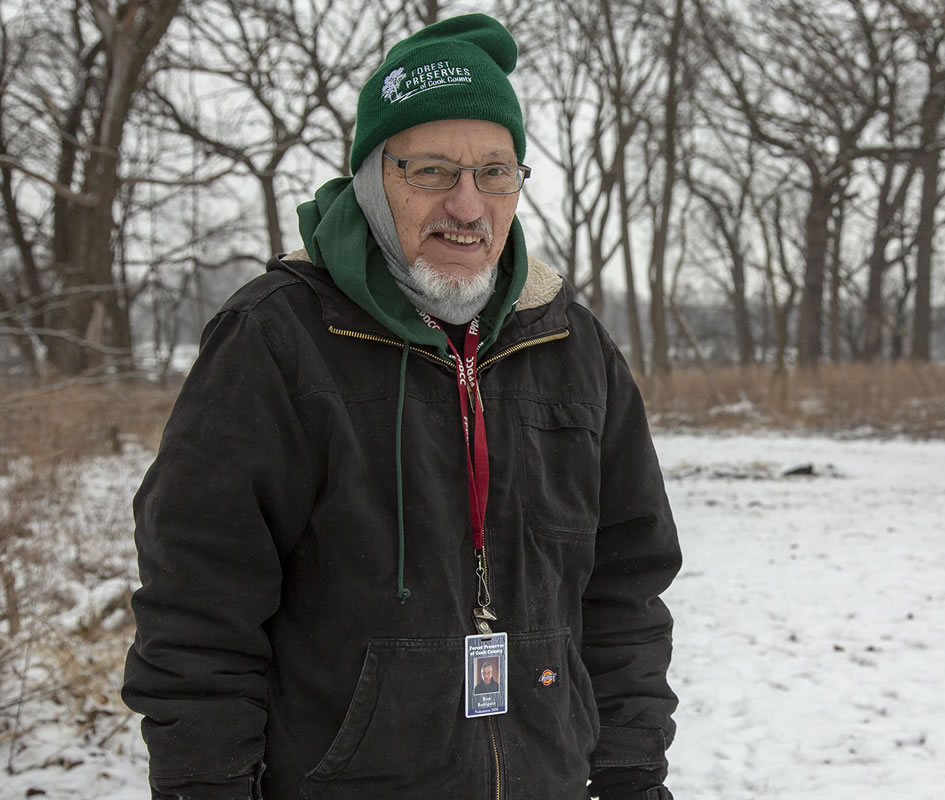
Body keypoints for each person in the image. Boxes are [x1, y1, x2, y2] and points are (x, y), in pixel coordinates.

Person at [122, 14, 680, 800]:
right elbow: (198, 604)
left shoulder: (571, 346)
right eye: (430, 172)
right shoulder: (278, 339)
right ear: (372, 180)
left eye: (495, 172)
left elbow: (626, 590)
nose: (467, 205)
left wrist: (630, 770)